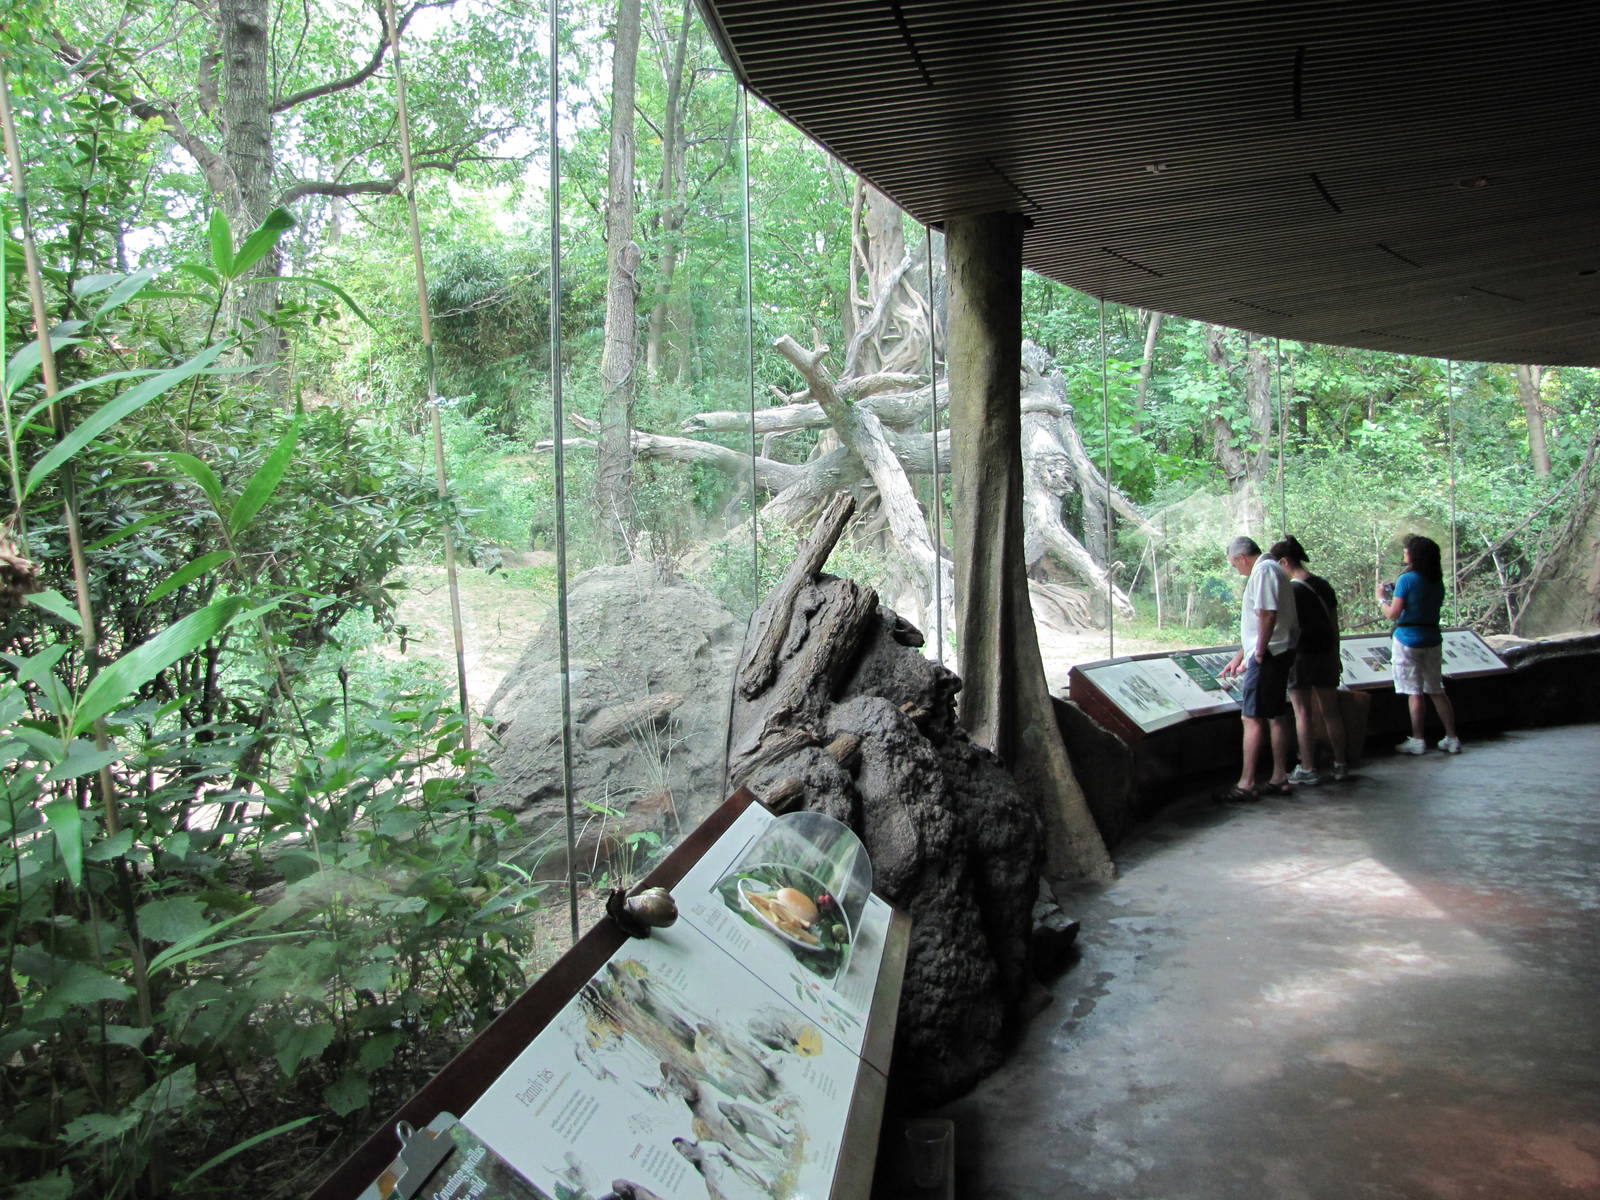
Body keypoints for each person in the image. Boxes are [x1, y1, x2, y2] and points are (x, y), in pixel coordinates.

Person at [1217, 536, 1299, 799]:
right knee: (1275, 715)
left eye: (1234, 564)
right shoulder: (1275, 569)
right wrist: (1242, 654)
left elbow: (1267, 614)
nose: (1236, 569)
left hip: (1270, 655)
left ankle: (1246, 783)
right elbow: (1261, 620)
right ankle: (1279, 777)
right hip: (1277, 651)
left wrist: (1260, 651)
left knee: (1251, 718)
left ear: (1242, 557)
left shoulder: (1263, 570)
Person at [1269, 536, 1349, 784]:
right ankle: (1341, 765)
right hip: (1326, 653)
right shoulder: (1324, 585)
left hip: (1301, 657)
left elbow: (1286, 628)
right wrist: (1336, 655)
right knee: (1331, 712)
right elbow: (1335, 625)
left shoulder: (1290, 590)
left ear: (1284, 562)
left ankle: (1308, 768)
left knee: (1302, 712)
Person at [1376, 533, 1461, 754]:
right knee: (1436, 689)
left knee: (1414, 691)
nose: (1404, 553)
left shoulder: (1407, 580)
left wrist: (1381, 599)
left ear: (1415, 555)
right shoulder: (1436, 580)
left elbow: (1393, 614)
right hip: (1432, 638)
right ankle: (1452, 738)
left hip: (1407, 639)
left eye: (1407, 550)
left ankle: (1418, 739)